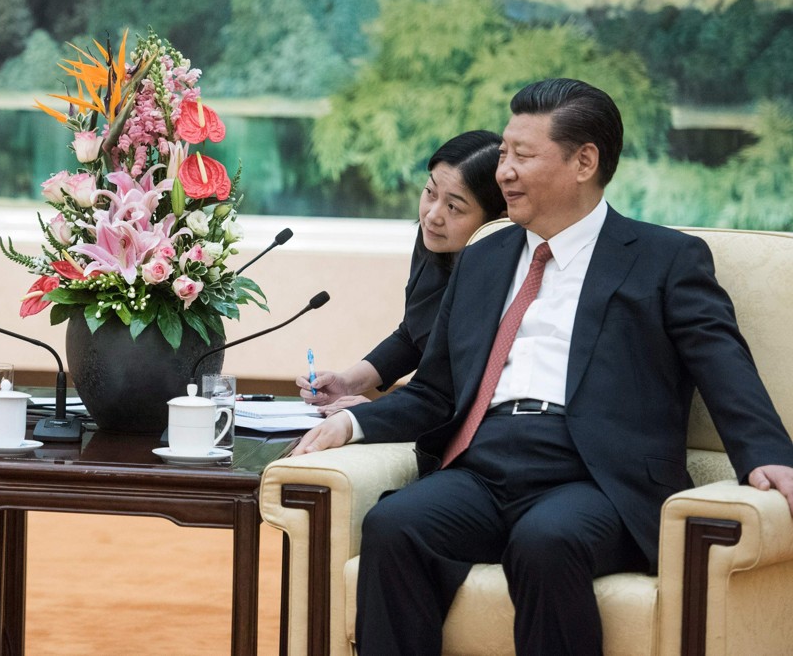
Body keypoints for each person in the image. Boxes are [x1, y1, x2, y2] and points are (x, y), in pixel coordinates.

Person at [291, 78, 793, 655]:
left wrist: (769, 455)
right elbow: (435, 392)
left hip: (595, 475)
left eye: (522, 156)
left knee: (546, 539)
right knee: (396, 524)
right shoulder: (482, 258)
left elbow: (722, 361)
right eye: (505, 152)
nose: (504, 170)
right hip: (483, 464)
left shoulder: (664, 259)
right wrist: (350, 423)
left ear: (584, 162)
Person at [298, 130, 505, 414]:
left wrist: (374, 413)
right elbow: (414, 334)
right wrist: (347, 382)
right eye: (430, 192)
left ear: (496, 218)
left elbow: (448, 392)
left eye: (453, 206)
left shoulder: (500, 278)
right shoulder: (433, 238)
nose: (432, 215)